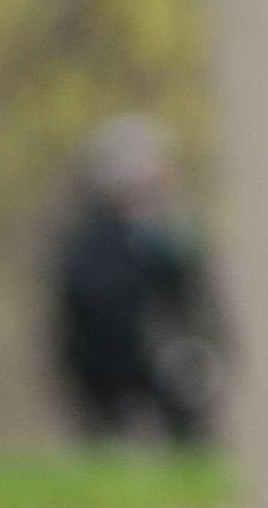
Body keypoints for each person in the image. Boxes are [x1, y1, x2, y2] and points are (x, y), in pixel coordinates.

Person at [50, 117, 221, 447]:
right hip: (104, 361)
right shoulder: (91, 238)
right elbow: (83, 307)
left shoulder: (172, 230)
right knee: (108, 442)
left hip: (170, 354)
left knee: (188, 434)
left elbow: (196, 297)